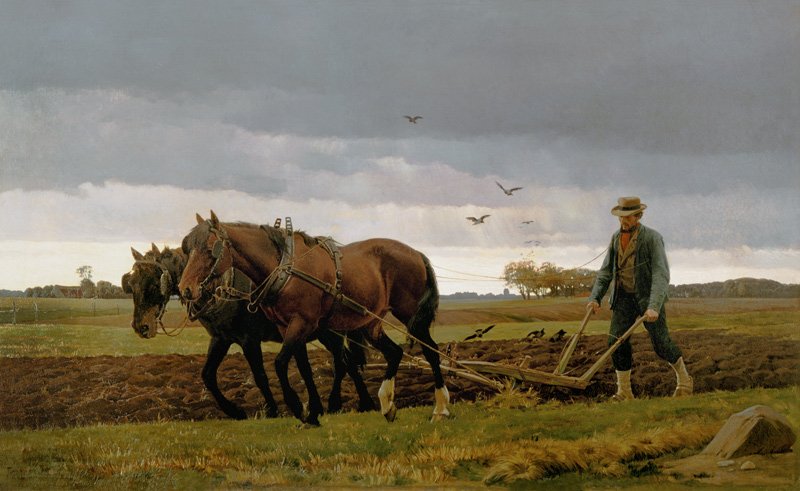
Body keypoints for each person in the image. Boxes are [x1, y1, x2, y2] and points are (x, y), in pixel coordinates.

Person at [587, 197, 692, 402]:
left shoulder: (653, 238)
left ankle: (685, 380)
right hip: (623, 298)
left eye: (627, 217)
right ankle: (624, 393)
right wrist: (595, 298)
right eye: (620, 217)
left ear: (639, 216)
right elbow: (605, 271)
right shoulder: (616, 238)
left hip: (647, 299)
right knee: (616, 342)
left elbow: (661, 274)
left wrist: (654, 306)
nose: (623, 221)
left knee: (661, 344)